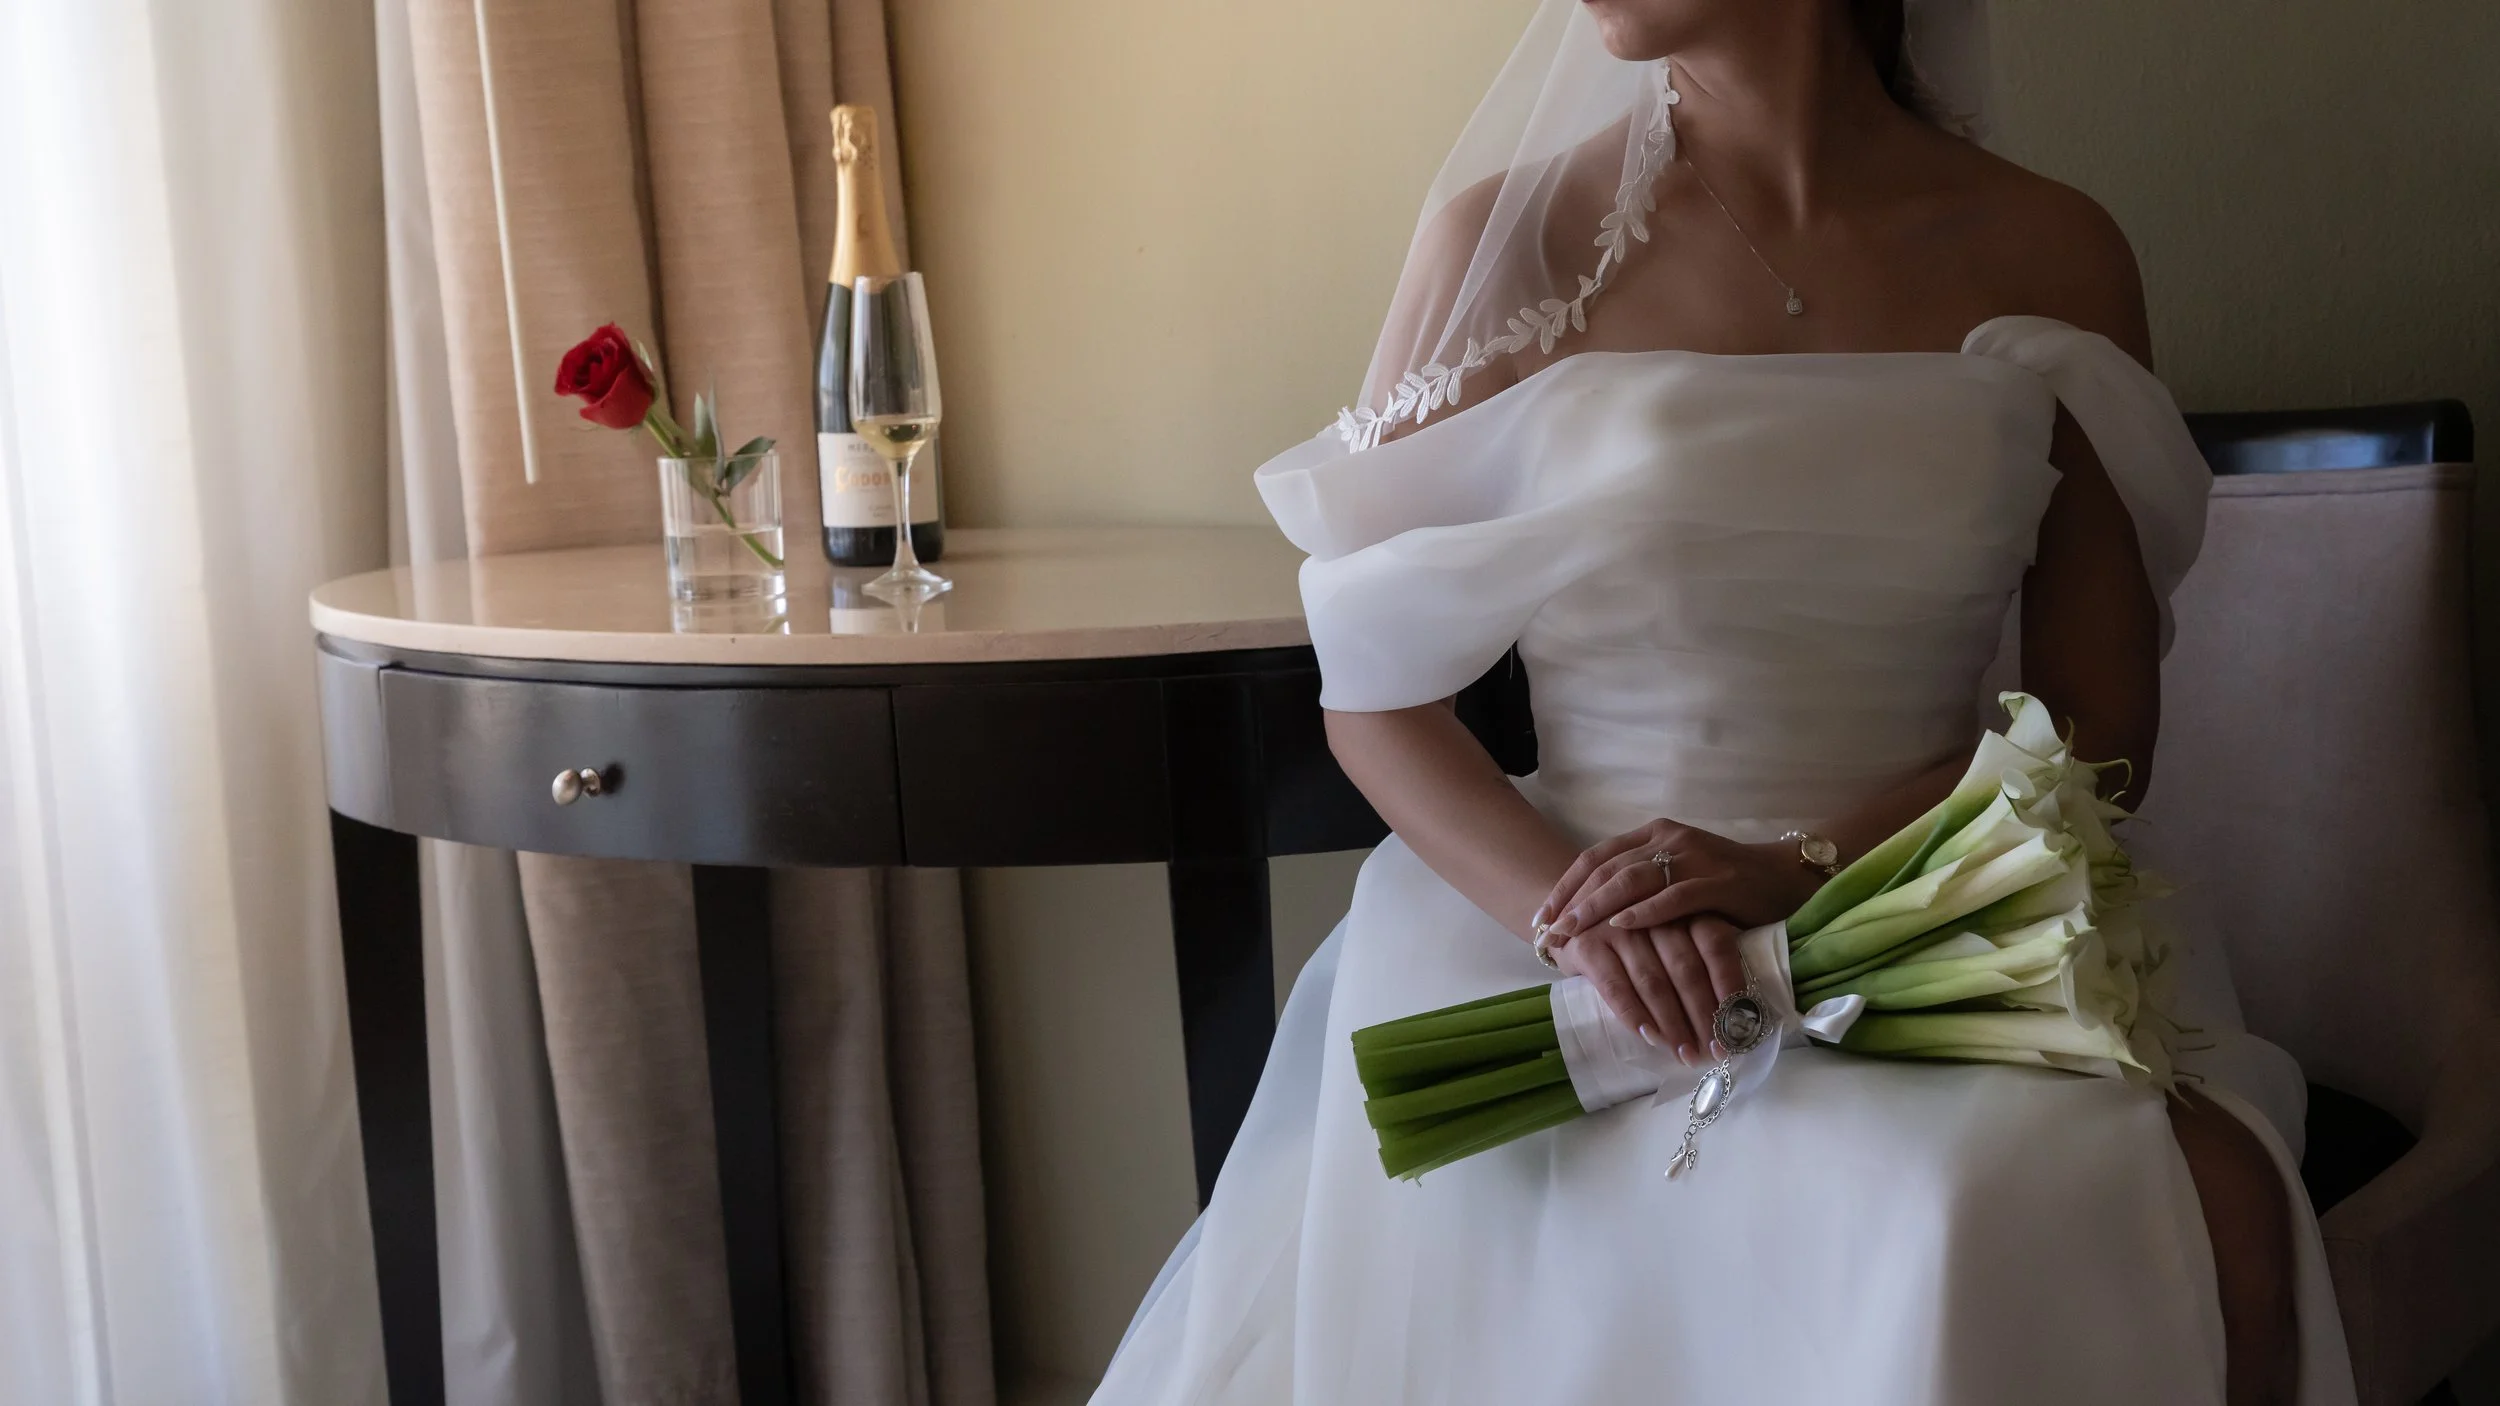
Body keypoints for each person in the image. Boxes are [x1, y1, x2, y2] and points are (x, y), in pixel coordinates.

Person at [1095, 1, 2353, 1402]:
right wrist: (1587, 926)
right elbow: (1376, 704)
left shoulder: (2056, 250)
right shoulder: (1506, 248)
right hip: (1570, 924)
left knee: (2058, 1197)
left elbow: (2100, 723)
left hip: (1924, 904)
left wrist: (1798, 873)